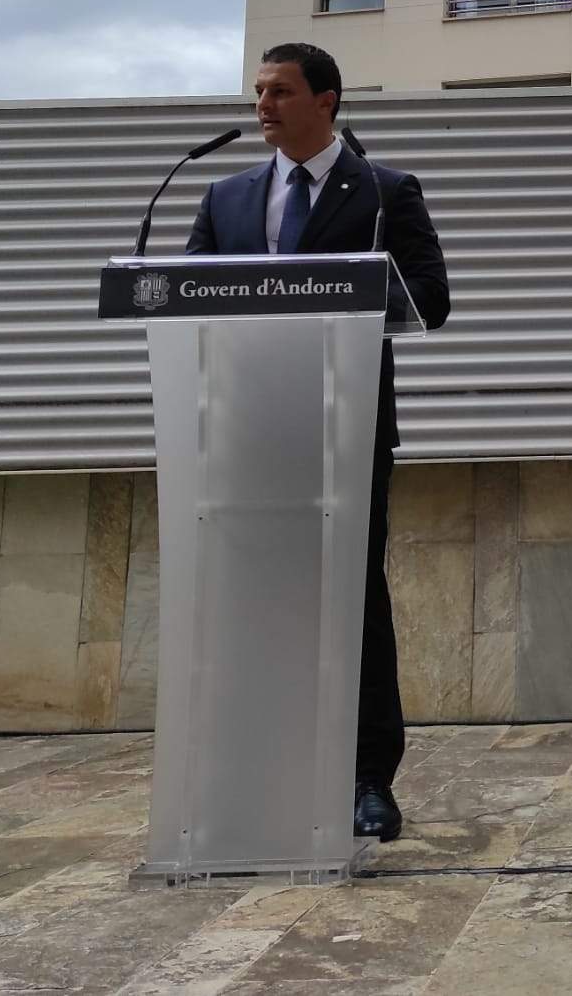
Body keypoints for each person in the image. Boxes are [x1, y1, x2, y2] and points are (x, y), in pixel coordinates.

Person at [186, 42, 449, 843]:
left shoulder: (382, 190)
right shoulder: (224, 196)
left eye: (281, 91)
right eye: (258, 90)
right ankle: (254, 765)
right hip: (251, 432)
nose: (262, 104)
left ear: (327, 101)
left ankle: (368, 779)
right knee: (253, 600)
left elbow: (431, 300)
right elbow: (189, 302)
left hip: (346, 424)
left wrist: (358, 285)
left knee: (352, 599)